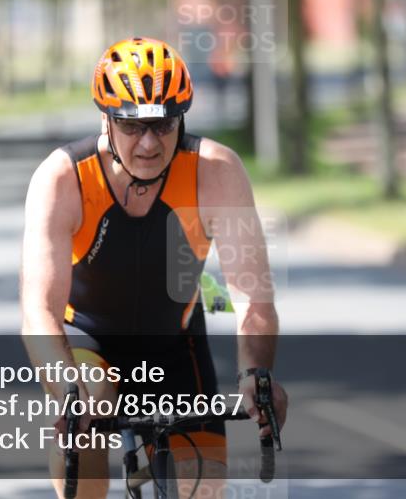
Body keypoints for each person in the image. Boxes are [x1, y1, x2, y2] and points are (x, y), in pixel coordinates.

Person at [20, 37, 288, 499]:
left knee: (201, 489)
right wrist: (67, 388)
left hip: (176, 344)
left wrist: (255, 374)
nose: (148, 143)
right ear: (107, 119)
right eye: (132, 126)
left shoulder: (216, 171)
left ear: (182, 116)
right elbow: (38, 310)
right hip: (88, 343)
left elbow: (252, 296)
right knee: (91, 411)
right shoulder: (64, 177)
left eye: (164, 126)